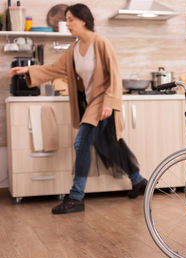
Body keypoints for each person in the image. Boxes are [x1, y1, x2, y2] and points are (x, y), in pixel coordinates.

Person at [9, 3, 147, 214]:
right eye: (67, 19)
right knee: (110, 146)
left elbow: (115, 74)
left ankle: (76, 197)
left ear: (84, 20)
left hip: (103, 102)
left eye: (71, 19)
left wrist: (109, 103)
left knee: (81, 142)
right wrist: (28, 68)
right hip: (91, 104)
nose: (68, 23)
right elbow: (54, 69)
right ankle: (138, 181)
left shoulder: (101, 43)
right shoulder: (74, 49)